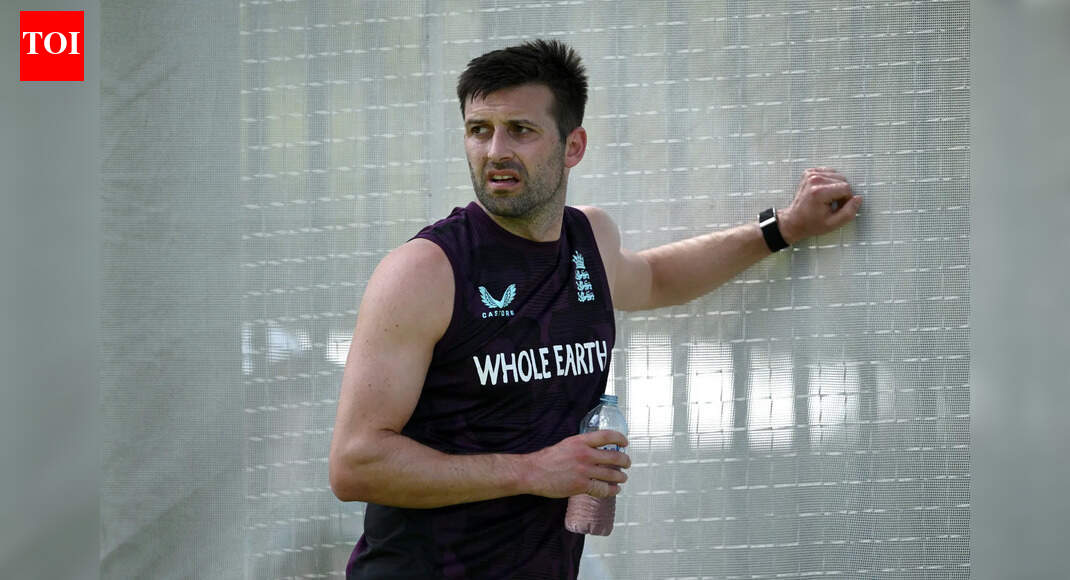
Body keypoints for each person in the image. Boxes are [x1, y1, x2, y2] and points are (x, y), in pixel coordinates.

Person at [329, 39, 862, 579]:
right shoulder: (425, 271)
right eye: (479, 130)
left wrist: (783, 228)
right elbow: (355, 464)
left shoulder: (589, 239)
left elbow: (656, 278)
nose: (495, 152)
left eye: (521, 129)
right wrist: (532, 471)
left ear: (573, 145)